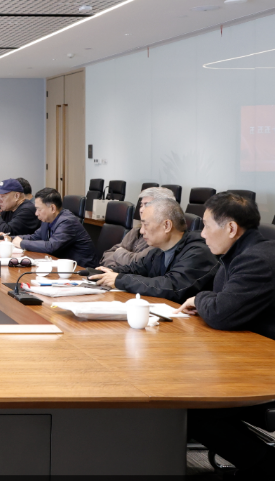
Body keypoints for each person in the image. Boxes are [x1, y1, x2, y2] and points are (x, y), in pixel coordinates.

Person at [178, 193, 275, 475]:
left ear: (231, 228)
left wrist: (200, 299)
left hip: (265, 368)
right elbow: (218, 300)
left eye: (207, 225)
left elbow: (220, 313)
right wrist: (205, 299)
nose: (202, 233)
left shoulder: (257, 260)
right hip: (250, 356)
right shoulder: (237, 253)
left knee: (191, 409)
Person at [88, 199, 216, 303]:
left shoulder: (199, 251)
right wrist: (107, 273)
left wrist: (119, 279)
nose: (142, 231)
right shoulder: (158, 251)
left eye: (146, 224)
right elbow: (135, 268)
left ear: (167, 225)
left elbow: (171, 286)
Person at [9, 188, 96, 266]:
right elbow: (34, 237)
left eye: (39, 209)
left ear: (52, 208)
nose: (36, 213)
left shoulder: (68, 222)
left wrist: (22, 243)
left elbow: (51, 247)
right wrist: (10, 238)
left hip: (81, 270)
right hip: (61, 266)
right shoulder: (48, 219)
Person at [100, 187, 176, 268]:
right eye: (141, 205)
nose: (141, 210)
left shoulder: (164, 236)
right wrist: (112, 269)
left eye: (147, 205)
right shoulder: (136, 230)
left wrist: (119, 253)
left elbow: (139, 263)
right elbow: (108, 253)